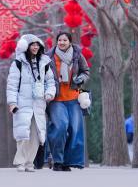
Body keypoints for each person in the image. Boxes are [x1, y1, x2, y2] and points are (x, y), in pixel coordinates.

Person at [7, 34, 56, 172]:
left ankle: (29, 162)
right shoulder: (18, 63)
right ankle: (20, 162)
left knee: (36, 135)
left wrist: (49, 93)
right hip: (22, 103)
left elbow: (50, 81)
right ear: (25, 47)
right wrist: (12, 102)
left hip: (39, 103)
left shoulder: (44, 63)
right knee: (23, 133)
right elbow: (12, 85)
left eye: (37, 45)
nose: (35, 47)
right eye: (32, 45)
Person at [46, 31, 90, 171]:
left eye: (65, 40)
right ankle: (57, 160)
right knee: (60, 127)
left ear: (70, 42)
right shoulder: (49, 56)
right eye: (60, 40)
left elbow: (86, 71)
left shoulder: (77, 55)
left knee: (74, 129)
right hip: (56, 99)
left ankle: (68, 162)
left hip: (74, 98)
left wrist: (80, 78)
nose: (62, 42)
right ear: (57, 42)